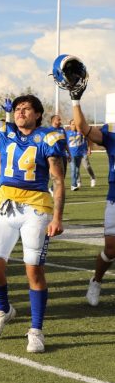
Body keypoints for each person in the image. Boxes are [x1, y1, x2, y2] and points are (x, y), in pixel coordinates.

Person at [0, 73, 65, 353]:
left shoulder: (48, 138)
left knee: (34, 269)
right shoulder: (4, 133)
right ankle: (3, 310)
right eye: (18, 108)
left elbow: (58, 180)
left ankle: (36, 330)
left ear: (38, 114)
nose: (20, 112)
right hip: (6, 206)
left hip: (36, 207)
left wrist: (57, 218)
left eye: (27, 108)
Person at [71, 93, 114, 306]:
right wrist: (75, 100)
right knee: (111, 249)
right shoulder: (112, 131)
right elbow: (82, 127)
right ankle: (96, 280)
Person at [65, 119, 96, 190]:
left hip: (82, 152)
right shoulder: (67, 133)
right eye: (73, 124)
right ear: (70, 125)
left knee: (87, 166)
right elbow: (64, 143)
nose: (74, 126)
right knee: (76, 169)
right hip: (72, 153)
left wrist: (89, 148)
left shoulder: (81, 132)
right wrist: (66, 152)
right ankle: (78, 182)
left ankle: (92, 177)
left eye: (75, 124)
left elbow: (88, 139)